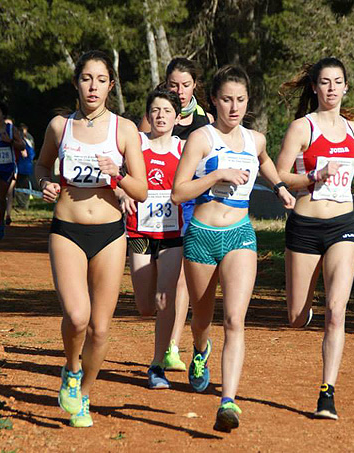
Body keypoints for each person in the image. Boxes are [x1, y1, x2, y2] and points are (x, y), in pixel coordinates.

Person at [171, 65, 295, 432]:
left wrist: (279, 187)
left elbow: (265, 161)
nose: (234, 107)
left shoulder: (255, 139)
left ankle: (228, 402)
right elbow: (179, 192)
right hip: (202, 235)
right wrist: (214, 176)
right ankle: (199, 350)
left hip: (240, 233)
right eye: (226, 99)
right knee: (203, 320)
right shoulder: (202, 139)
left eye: (240, 100)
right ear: (213, 100)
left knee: (235, 320)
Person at [35, 50, 147, 428]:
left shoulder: (125, 129)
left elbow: (142, 189)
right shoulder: (59, 126)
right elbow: (40, 165)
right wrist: (44, 183)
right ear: (76, 83)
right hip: (67, 228)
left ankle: (83, 396)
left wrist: (117, 175)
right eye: (86, 78)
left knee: (100, 326)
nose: (93, 86)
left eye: (101, 79)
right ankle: (70, 368)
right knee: (77, 316)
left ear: (111, 85)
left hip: (110, 233)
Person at [275, 57, 354, 420]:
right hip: (305, 227)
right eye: (324, 82)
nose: (331, 88)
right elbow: (278, 175)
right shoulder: (301, 128)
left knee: (337, 312)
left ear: (345, 87)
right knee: (295, 317)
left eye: (337, 82)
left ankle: (327, 392)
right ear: (314, 87)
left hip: (343, 224)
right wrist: (313, 176)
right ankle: (304, 311)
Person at [139, 57, 215, 372]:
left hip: (190, 208)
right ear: (165, 85)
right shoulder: (153, 117)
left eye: (185, 85)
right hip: (152, 218)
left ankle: (171, 346)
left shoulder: (205, 120)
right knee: (152, 296)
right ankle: (164, 332)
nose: (180, 91)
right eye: (174, 85)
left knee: (182, 282)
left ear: (195, 85)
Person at [123, 89, 184, 389]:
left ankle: (157, 364)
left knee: (164, 299)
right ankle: (159, 358)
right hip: (139, 233)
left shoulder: (183, 149)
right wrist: (122, 192)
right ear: (148, 115)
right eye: (155, 110)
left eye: (167, 111)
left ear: (178, 117)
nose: (161, 116)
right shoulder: (136, 145)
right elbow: (117, 174)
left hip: (173, 235)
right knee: (145, 306)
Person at [0, 102, 24, 242]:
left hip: (8, 167)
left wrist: (10, 141)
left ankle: (1, 222)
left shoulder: (12, 129)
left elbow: (22, 146)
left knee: (2, 198)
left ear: (3, 115)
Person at [14, 123, 35, 210]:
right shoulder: (24, 141)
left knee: (23, 186)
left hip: (24, 167)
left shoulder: (25, 142)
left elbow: (31, 154)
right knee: (20, 186)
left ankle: (23, 205)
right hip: (22, 167)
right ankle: (21, 204)